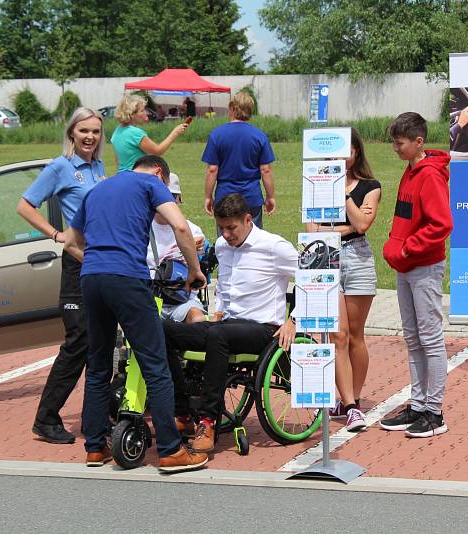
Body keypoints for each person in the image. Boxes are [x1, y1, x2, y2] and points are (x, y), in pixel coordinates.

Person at [63, 154, 208, 472]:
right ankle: (171, 450)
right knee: (155, 363)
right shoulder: (150, 183)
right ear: (160, 174)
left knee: (98, 365)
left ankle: (95, 447)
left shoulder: (97, 189)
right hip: (128, 278)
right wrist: (194, 271)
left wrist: (97, 259)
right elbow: (181, 226)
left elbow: (70, 241)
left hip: (91, 278)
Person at [163, 193, 298, 453]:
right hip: (228, 325)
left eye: (231, 228)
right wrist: (219, 310)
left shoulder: (273, 246)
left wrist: (293, 320)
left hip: (263, 329)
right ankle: (182, 412)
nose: (225, 234)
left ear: (248, 220)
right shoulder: (223, 247)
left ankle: (207, 421)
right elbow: (224, 286)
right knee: (164, 330)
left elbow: (314, 278)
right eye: (221, 228)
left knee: (218, 337)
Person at [16, 107, 107, 445]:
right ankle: (46, 418)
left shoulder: (98, 167)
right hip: (76, 263)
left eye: (96, 132)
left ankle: (96, 415)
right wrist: (57, 236)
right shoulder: (60, 167)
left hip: (99, 261)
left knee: (101, 342)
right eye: (84, 131)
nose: (90, 137)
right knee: (78, 342)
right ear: (71, 133)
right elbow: (24, 205)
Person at [379, 112, 452, 439]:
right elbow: (405, 216)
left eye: (400, 142)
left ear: (418, 141)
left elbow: (442, 224)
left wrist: (409, 248)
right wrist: (399, 247)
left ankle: (434, 412)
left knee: (430, 337)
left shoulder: (430, 176)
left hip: (423, 266)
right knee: (413, 337)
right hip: (406, 266)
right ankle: (418, 404)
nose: (395, 148)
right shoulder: (409, 173)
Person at [305, 127, 380, 432]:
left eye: (346, 152)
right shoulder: (315, 184)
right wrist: (345, 228)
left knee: (356, 337)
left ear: (356, 153)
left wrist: (343, 193)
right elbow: (313, 231)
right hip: (326, 257)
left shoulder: (370, 186)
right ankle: (348, 404)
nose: (341, 158)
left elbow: (363, 224)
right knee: (338, 335)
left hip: (358, 259)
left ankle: (356, 398)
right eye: (334, 154)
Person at [202, 91, 276, 229]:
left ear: (232, 108)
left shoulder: (216, 135)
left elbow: (212, 170)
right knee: (254, 242)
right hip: (251, 196)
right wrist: (270, 197)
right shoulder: (259, 136)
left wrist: (208, 196)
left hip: (225, 196)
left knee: (226, 241)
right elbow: (265, 170)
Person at [147, 170, 206, 324]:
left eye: (172, 197)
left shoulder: (192, 230)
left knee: (198, 319)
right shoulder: (141, 228)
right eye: (161, 196)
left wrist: (193, 246)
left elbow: (199, 248)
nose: (166, 202)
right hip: (150, 297)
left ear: (179, 199)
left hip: (182, 298)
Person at [111, 94, 188, 172]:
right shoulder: (135, 133)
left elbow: (117, 161)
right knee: (172, 178)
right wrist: (175, 132)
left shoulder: (117, 131)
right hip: (137, 175)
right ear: (132, 115)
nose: (146, 113)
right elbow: (158, 151)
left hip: (122, 175)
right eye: (142, 111)